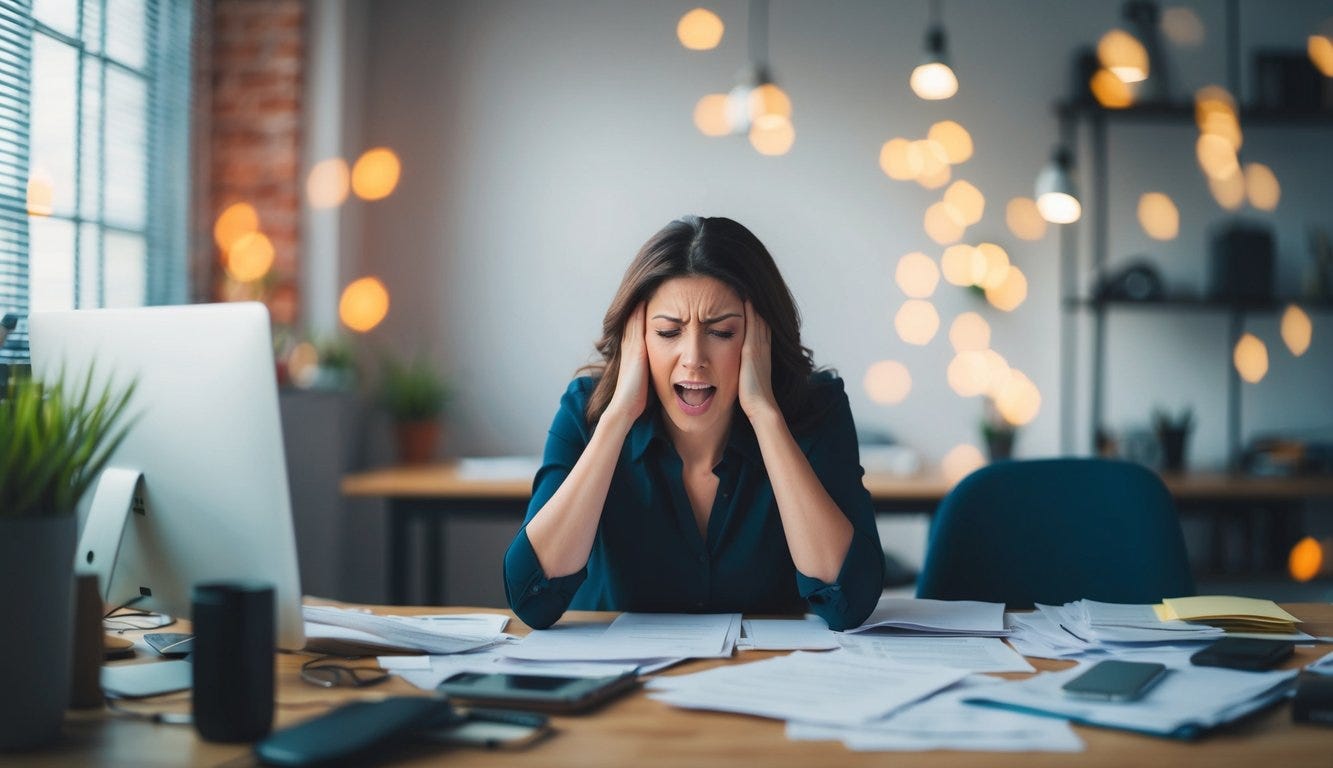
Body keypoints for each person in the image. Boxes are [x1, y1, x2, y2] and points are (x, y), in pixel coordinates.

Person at [503, 216, 883, 630]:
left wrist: (765, 415)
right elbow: (531, 600)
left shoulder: (816, 408)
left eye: (721, 332)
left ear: (761, 337)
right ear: (637, 338)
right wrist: (617, 418)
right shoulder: (587, 409)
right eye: (668, 332)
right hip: (623, 684)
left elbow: (850, 602)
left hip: (764, 680)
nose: (693, 358)